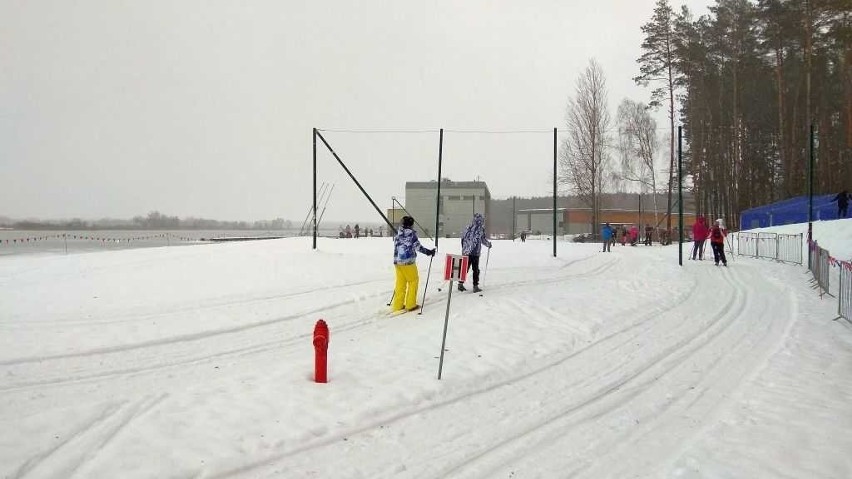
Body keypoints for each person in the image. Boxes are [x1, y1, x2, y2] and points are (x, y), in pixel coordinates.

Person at [391, 216, 435, 312]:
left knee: (400, 283)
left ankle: (397, 305)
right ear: (410, 224)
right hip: (408, 263)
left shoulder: (398, 234)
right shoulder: (411, 235)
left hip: (397, 262)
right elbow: (418, 247)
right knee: (413, 281)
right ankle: (410, 304)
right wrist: (429, 252)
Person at [458, 213, 491, 293]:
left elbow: (462, 239)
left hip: (467, 252)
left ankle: (461, 284)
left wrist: (464, 249)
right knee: (475, 270)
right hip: (474, 253)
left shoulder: (468, 227)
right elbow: (483, 239)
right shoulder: (480, 229)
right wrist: (488, 244)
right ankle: (475, 286)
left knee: (465, 269)